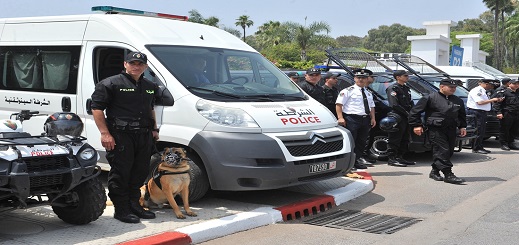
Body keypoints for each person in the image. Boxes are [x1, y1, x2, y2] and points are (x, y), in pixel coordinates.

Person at [91, 51, 159, 223]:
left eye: (140, 64)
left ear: (146, 66)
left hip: (143, 135)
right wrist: (105, 134)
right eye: (132, 63)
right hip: (121, 135)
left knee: (139, 172)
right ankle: (121, 209)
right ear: (125, 64)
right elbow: (97, 109)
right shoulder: (110, 84)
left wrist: (154, 129)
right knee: (121, 173)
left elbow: (151, 108)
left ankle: (134, 205)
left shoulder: (150, 85)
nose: (136, 66)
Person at [409, 78, 467, 184]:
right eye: (451, 87)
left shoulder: (457, 100)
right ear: (442, 87)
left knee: (449, 151)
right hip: (436, 129)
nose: (453, 89)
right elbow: (414, 112)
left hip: (451, 129)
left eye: (455, 87)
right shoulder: (430, 98)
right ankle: (448, 174)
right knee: (442, 150)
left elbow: (461, 115)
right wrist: (416, 125)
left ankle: (434, 171)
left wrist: (463, 126)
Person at [336, 69, 376, 169]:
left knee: (361, 142)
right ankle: (349, 164)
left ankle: (355, 161)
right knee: (351, 141)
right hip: (352, 119)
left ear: (367, 79)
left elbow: (371, 106)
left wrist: (373, 118)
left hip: (365, 119)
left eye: (363, 78)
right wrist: (340, 117)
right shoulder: (347, 91)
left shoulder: (368, 92)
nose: (360, 80)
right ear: (354, 78)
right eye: (358, 78)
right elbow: (339, 104)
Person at [385, 70, 415, 167]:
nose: (407, 77)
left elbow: (410, 102)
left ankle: (400, 157)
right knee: (395, 138)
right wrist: (406, 113)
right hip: (397, 115)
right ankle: (392, 158)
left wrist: (412, 112)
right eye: (405, 75)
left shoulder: (406, 88)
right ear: (398, 77)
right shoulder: (393, 88)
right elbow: (394, 104)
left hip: (406, 116)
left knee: (405, 137)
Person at [466, 79, 503, 154]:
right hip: (477, 112)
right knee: (478, 130)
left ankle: (479, 146)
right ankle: (476, 148)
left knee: (482, 130)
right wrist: (492, 100)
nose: (491, 87)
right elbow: (479, 102)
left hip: (482, 112)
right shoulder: (477, 90)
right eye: (490, 85)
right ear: (486, 84)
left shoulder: (483, 91)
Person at [492, 79, 519, 151]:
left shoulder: (517, 92)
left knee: (514, 130)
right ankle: (504, 144)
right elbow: (497, 103)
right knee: (504, 129)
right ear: (509, 84)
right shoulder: (504, 92)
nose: (516, 85)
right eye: (515, 84)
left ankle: (511, 143)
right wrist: (498, 113)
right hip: (507, 113)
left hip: (516, 113)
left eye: (518, 84)